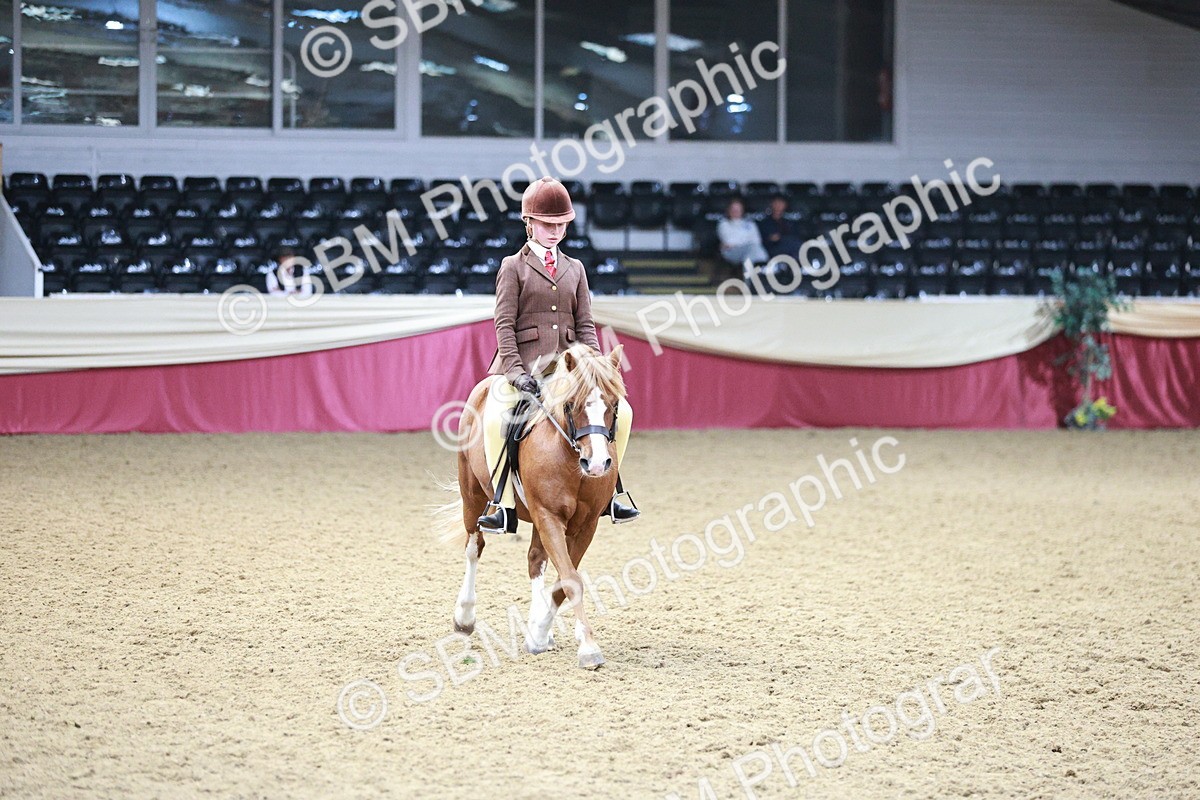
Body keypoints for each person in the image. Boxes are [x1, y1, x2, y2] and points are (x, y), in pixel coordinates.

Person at [477, 177, 639, 534]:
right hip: (522, 367)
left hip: (569, 371)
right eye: (547, 224)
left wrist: (596, 372)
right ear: (529, 223)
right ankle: (501, 504)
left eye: (561, 225)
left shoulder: (575, 268)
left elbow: (585, 325)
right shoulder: (512, 266)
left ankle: (609, 491)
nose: (555, 231)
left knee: (622, 412)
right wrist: (516, 372)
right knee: (494, 418)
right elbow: (504, 325)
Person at [716, 197, 767, 266]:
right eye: (733, 209)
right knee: (754, 249)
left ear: (742, 210)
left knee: (752, 252)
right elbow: (729, 241)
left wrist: (738, 240)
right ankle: (765, 270)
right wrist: (747, 240)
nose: (736, 211)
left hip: (750, 251)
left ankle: (752, 274)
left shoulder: (750, 224)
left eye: (738, 209)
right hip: (731, 252)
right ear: (728, 210)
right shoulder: (723, 224)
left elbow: (757, 240)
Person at [757, 194, 804, 258]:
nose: (778, 206)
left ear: (785, 205)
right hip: (772, 250)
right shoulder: (764, 223)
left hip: (790, 249)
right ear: (771, 204)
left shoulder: (790, 223)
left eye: (781, 203)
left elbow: (796, 237)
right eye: (776, 203)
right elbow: (762, 240)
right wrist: (771, 239)